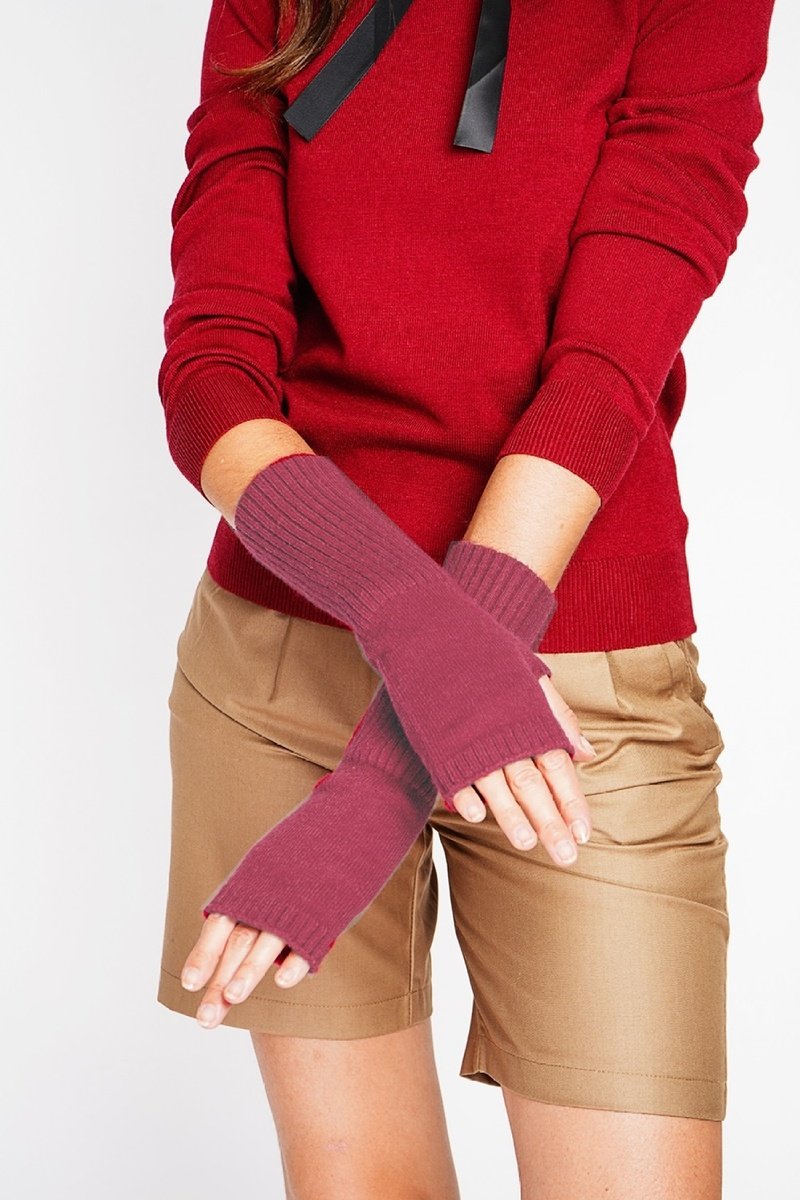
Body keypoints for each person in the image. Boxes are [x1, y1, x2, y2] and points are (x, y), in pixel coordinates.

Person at [155, 0, 775, 1195]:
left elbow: (604, 370)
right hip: (284, 668)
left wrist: (380, 778)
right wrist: (418, 635)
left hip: (574, 698)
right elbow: (212, 367)